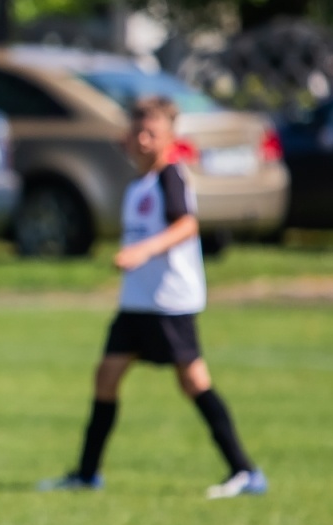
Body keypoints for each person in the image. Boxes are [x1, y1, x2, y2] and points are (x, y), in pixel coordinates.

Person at [38, 96, 265, 499]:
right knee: (106, 377)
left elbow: (186, 226)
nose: (143, 140)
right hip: (137, 302)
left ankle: (245, 471)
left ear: (169, 138)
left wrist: (143, 251)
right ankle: (87, 474)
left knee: (194, 381)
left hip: (168, 302)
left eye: (152, 134)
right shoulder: (139, 183)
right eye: (137, 132)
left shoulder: (170, 177)